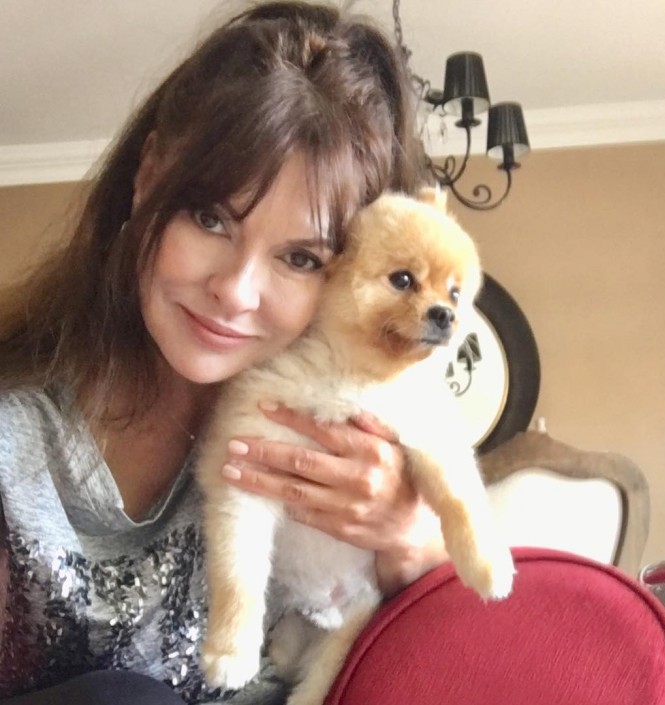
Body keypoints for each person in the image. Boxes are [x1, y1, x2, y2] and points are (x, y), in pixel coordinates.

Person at [0, 2, 448, 703]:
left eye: (300, 258)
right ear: (148, 176)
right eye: (210, 218)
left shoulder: (344, 450)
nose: (236, 291)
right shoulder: (17, 444)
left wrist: (409, 538)